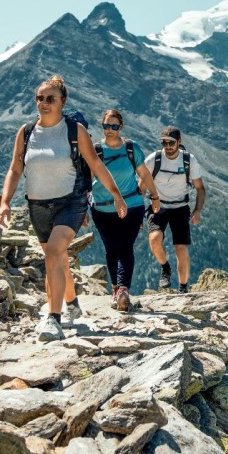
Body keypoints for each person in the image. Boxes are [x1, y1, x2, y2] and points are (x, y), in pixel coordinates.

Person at [0, 75, 126, 341]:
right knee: (58, 259)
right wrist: (5, 202)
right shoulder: (26, 132)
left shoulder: (74, 130)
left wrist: (116, 194)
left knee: (54, 253)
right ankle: (72, 303)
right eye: (40, 98)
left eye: (50, 99)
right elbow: (15, 168)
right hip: (37, 205)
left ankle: (53, 319)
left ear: (62, 101)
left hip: (71, 201)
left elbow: (96, 165)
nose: (43, 103)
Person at [89, 109, 161, 312]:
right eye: (106, 126)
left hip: (132, 205)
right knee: (111, 249)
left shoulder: (131, 148)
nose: (109, 130)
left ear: (121, 127)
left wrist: (154, 197)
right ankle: (115, 289)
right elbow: (86, 180)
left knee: (125, 246)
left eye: (114, 126)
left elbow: (144, 174)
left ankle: (123, 290)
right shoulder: (95, 151)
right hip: (102, 208)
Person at [144, 126, 205, 292]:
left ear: (179, 142)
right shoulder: (153, 160)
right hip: (158, 205)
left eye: (171, 143)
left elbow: (200, 188)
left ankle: (183, 287)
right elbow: (141, 187)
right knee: (154, 239)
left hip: (180, 208)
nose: (168, 146)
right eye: (164, 143)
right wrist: (135, 214)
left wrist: (197, 210)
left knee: (181, 249)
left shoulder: (188, 160)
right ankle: (165, 267)